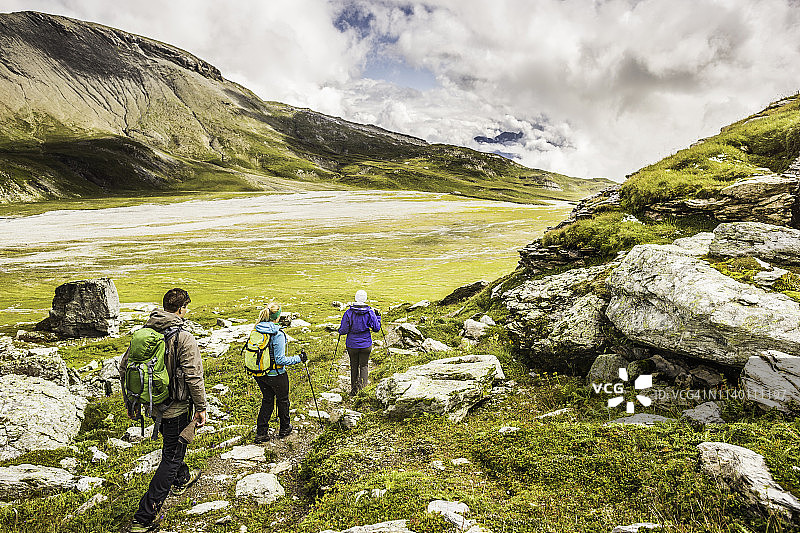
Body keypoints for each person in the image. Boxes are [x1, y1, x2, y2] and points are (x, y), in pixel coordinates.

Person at [126, 288, 207, 533]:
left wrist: (133, 404)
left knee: (171, 445)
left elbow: (125, 368)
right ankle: (144, 517)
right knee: (172, 456)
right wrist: (202, 407)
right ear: (182, 309)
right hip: (177, 407)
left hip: (153, 405)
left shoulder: (145, 332)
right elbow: (193, 376)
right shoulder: (183, 337)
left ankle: (181, 479)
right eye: (187, 307)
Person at [251, 303, 306, 443]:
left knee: (267, 400)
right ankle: (285, 428)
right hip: (276, 374)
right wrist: (299, 358)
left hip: (260, 373)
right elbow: (280, 360)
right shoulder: (278, 334)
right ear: (277, 317)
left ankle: (261, 433)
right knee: (283, 400)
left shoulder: (257, 329)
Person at [338, 289, 381, 396]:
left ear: (355, 298)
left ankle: (354, 390)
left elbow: (343, 331)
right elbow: (376, 328)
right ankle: (363, 392)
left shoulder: (348, 312)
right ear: (365, 299)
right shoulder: (370, 312)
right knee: (364, 365)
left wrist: (339, 330)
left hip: (352, 345)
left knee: (354, 365)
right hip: (366, 344)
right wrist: (378, 317)